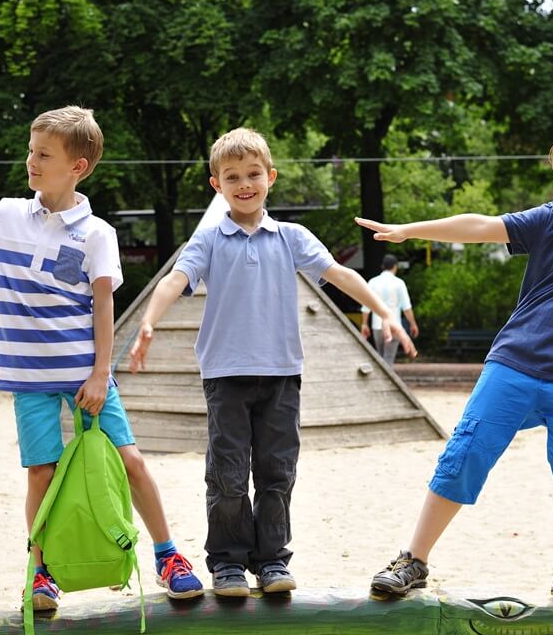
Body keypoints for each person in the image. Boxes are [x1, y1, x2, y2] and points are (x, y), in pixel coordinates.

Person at [357, 119, 553, 613]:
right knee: (465, 454)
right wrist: (409, 231)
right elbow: (482, 226)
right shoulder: (552, 219)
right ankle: (413, 561)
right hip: (516, 363)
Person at [128, 128, 417, 597]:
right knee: (227, 474)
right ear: (215, 185)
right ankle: (227, 563)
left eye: (253, 174)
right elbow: (173, 280)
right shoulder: (208, 240)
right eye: (232, 176)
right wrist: (149, 322)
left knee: (277, 472)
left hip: (282, 374)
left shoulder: (290, 237)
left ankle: (272, 561)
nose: (245, 184)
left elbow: (340, 274)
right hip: (226, 376)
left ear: (271, 177)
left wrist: (386, 313)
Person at [0, 111, 204, 610]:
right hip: (29, 378)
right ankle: (40, 572)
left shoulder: (97, 233)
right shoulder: (6, 215)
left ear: (77, 166)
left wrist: (102, 373)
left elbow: (103, 305)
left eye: (44, 155)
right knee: (40, 472)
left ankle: (168, 555)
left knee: (130, 462)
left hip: (85, 374)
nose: (31, 161)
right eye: (31, 151)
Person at [360, 253, 419, 364]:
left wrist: (364, 323)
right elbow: (406, 307)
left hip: (377, 324)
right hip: (394, 324)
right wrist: (413, 324)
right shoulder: (399, 283)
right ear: (395, 266)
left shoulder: (373, 282)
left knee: (380, 356)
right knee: (389, 357)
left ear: (382, 266)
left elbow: (366, 305)